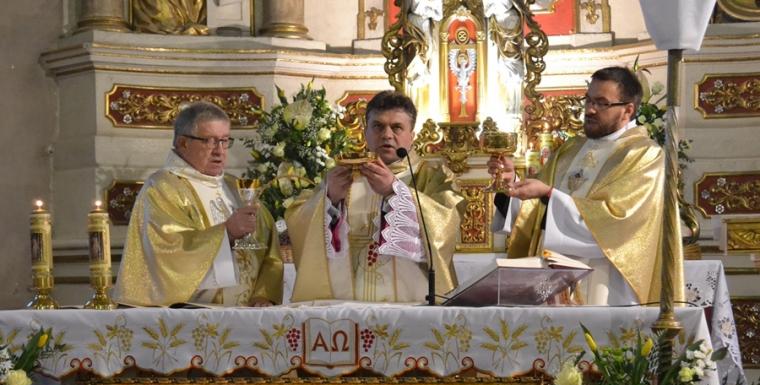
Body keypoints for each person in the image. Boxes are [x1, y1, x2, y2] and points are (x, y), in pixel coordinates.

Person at [490, 66, 684, 305]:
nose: (590, 110)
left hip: (605, 284)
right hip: (552, 281)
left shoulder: (643, 155)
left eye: (602, 103)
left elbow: (617, 222)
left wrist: (549, 194)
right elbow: (537, 213)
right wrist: (512, 186)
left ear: (628, 110)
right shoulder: (572, 149)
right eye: (589, 100)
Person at [285, 90, 465, 303]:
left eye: (397, 127)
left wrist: (395, 191)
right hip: (349, 306)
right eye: (378, 126)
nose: (387, 135)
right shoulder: (342, 176)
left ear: (412, 135)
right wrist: (329, 199)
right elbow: (299, 221)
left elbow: (447, 222)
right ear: (365, 133)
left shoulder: (433, 176)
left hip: (413, 304)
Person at [113, 101, 283, 307]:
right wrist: (226, 233)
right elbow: (168, 253)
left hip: (246, 315)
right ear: (183, 143)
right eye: (209, 141)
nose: (219, 151)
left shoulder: (236, 188)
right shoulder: (162, 187)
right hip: (190, 316)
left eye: (224, 141)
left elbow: (269, 246)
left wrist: (263, 295)